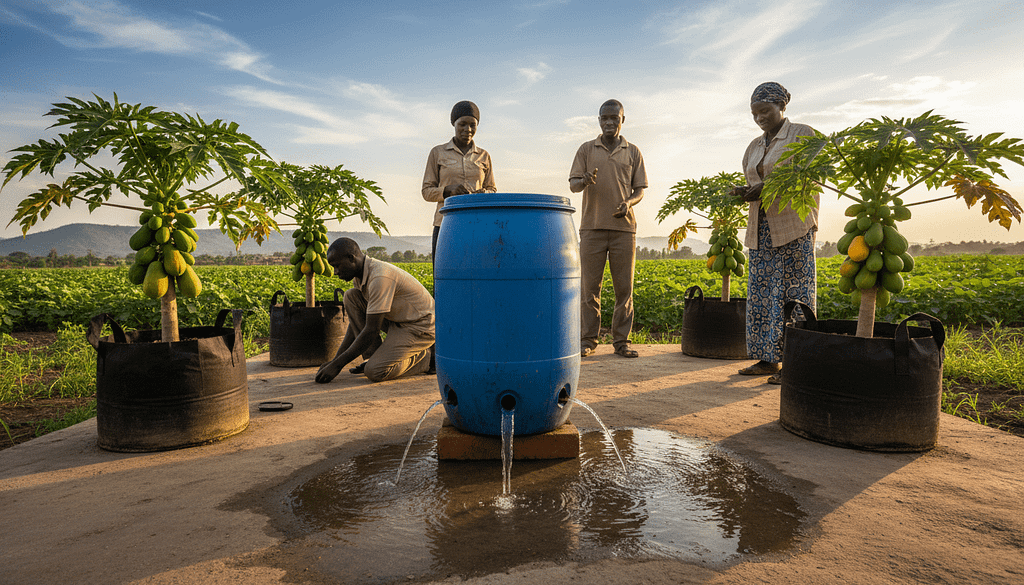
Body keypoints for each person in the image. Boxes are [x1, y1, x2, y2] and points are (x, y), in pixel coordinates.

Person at [731, 82, 818, 384]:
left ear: (782, 106)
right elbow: (754, 177)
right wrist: (746, 192)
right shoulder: (755, 145)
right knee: (763, 295)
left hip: (793, 227)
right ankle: (768, 360)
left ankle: (797, 363)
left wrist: (765, 188)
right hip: (761, 230)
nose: (759, 118)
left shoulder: (803, 135)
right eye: (755, 113)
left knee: (795, 295)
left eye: (765, 111)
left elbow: (808, 176)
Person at [569, 99, 648, 359]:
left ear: (622, 120)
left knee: (624, 289)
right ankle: (588, 340)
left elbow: (639, 191)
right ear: (599, 120)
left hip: (624, 230)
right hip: (591, 228)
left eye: (615, 118)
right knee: (590, 288)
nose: (610, 122)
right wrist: (584, 180)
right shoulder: (586, 149)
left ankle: (621, 342)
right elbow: (573, 186)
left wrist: (628, 202)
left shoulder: (633, 151)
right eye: (605, 118)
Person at [315, 238, 435, 384]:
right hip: (398, 320)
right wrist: (334, 361)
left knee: (375, 371)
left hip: (419, 325)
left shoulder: (379, 277)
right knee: (351, 296)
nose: (335, 272)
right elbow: (355, 326)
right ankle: (375, 356)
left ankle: (427, 358)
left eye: (337, 266)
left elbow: (371, 329)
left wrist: (338, 365)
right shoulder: (359, 275)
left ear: (351, 258)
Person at [421, 100, 497, 263]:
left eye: (472, 125)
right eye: (462, 124)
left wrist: (485, 194)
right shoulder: (438, 153)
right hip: (446, 224)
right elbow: (426, 191)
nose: (467, 129)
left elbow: (492, 189)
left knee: (478, 272)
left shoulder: (484, 156)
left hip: (478, 224)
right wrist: (448, 191)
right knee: (444, 274)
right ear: (453, 124)